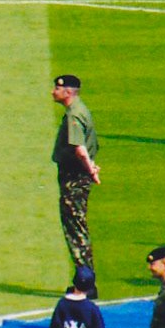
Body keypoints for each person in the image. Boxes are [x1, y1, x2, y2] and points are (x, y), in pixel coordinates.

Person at [52, 75, 101, 283]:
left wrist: (91, 170)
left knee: (75, 229)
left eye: (57, 88)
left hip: (74, 177)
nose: (53, 91)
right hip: (78, 175)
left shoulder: (74, 114)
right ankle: (85, 278)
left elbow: (80, 149)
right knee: (77, 226)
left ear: (68, 92)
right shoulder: (80, 109)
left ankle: (85, 281)